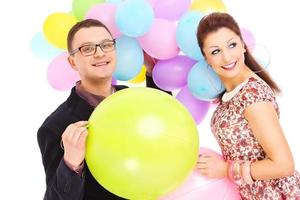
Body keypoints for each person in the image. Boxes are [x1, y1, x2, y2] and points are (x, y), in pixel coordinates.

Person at [37, 19, 168, 200]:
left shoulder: (132, 99)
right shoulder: (55, 126)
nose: (100, 53)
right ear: (72, 62)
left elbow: (165, 127)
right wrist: (71, 164)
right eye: (88, 49)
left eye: (106, 45)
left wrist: (154, 73)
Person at [195, 12, 300, 199]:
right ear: (207, 60)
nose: (227, 58)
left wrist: (226, 169)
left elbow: (284, 165)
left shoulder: (252, 94)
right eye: (215, 51)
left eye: (232, 45)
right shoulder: (231, 94)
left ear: (243, 45)